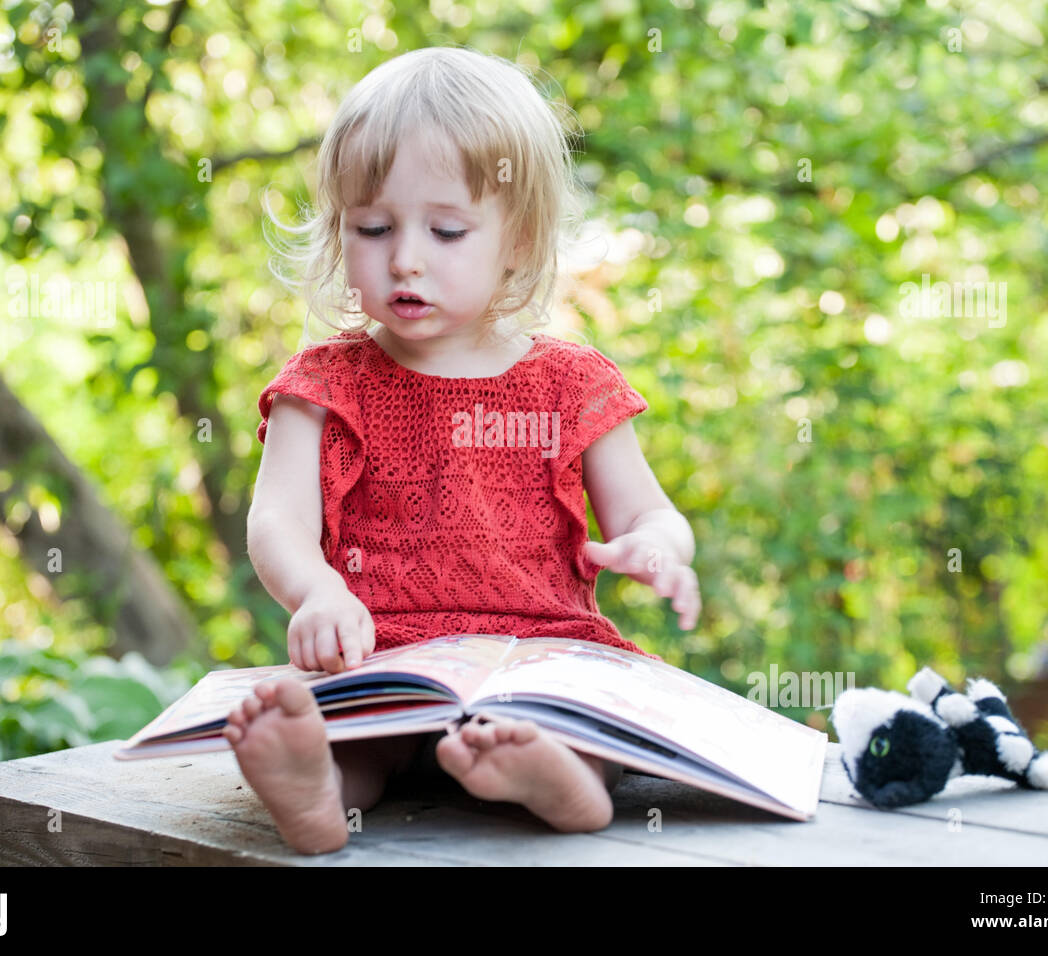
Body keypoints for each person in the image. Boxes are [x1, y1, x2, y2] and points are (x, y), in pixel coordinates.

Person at [223, 45, 700, 855]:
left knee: (593, 714)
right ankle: (317, 794)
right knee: (350, 736)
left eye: (446, 230)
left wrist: (655, 547)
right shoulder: (324, 384)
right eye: (372, 228)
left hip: (543, 652)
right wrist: (318, 593)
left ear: (518, 241)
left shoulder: (572, 382)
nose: (405, 255)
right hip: (384, 650)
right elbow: (276, 521)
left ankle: (563, 782)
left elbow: (650, 510)